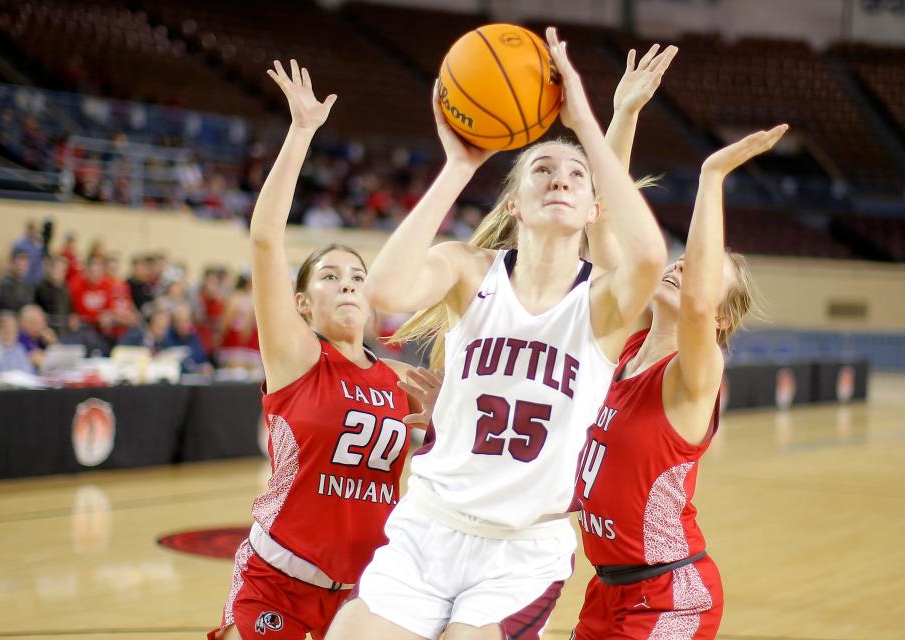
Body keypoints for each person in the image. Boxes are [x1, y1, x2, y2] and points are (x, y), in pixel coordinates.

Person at [326, 28, 668, 640]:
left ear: (595, 209)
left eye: (577, 174)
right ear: (513, 202)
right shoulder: (468, 269)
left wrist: (591, 121)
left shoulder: (602, 303)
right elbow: (385, 290)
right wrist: (461, 164)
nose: (560, 178)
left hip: (522, 549)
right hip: (428, 525)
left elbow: (647, 256)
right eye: (542, 167)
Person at [209, 60, 423, 640]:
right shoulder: (297, 357)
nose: (349, 283)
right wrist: (302, 130)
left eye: (357, 275)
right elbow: (264, 239)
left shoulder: (400, 378)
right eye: (329, 276)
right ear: (302, 304)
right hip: (278, 580)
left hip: (364, 593)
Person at [571, 125, 786, 640]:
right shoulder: (621, 346)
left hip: (670, 594)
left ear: (719, 319)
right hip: (607, 587)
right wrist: (623, 114)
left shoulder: (695, 373)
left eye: (703, 273)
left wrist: (711, 176)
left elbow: (692, 307)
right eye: (683, 261)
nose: (684, 265)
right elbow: (600, 230)